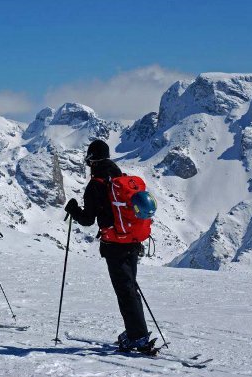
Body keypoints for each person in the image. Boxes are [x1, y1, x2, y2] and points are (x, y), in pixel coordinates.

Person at [64, 139, 152, 353]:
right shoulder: (120, 176)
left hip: (115, 244)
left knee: (125, 290)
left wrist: (73, 209)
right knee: (130, 287)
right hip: (133, 239)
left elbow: (87, 220)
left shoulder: (96, 184)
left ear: (91, 159)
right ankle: (136, 332)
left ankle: (137, 336)